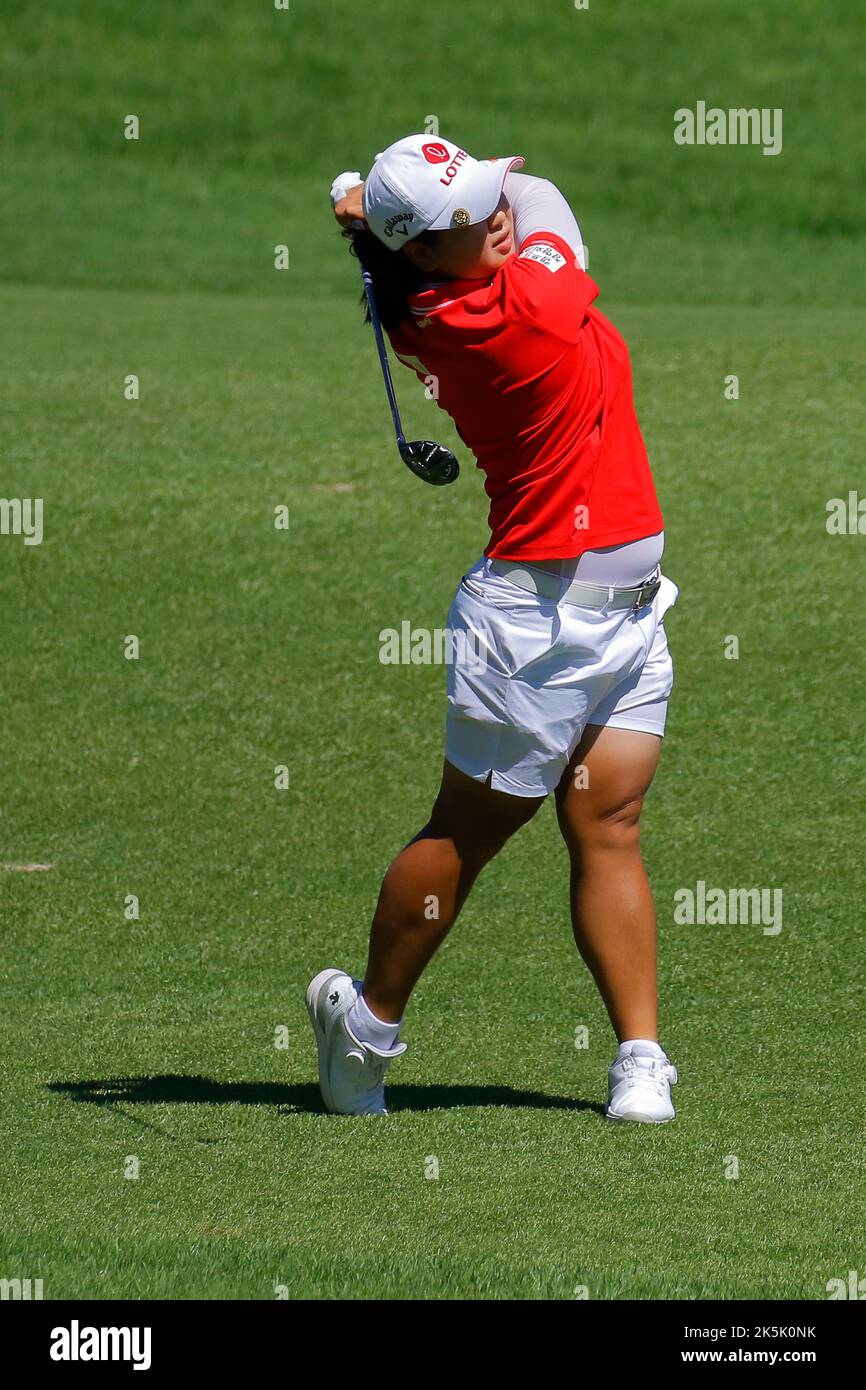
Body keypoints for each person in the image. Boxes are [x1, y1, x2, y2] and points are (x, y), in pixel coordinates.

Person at [307, 134, 680, 1122]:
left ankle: (638, 1058)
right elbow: (548, 189)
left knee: (608, 825)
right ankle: (365, 1031)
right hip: (530, 626)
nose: (497, 212)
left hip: (628, 615)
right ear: (426, 255)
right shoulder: (525, 306)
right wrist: (368, 207)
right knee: (464, 838)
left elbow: (457, 228)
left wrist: (377, 217)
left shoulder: (426, 298)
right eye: (472, 213)